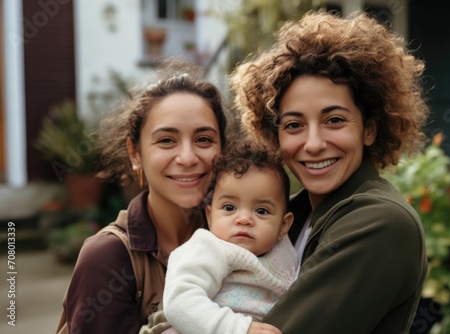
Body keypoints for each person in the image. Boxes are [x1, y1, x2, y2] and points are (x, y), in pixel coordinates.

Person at [230, 11, 429, 333]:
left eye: (334, 120)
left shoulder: (380, 223)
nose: (313, 144)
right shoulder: (290, 214)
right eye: (293, 125)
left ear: (370, 129)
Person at [56, 58, 227, 334]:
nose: (187, 157)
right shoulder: (107, 259)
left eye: (204, 139)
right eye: (166, 140)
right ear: (135, 153)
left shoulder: (233, 238)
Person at [145, 141, 296, 334]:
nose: (244, 219)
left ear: (283, 226)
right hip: (190, 325)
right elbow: (180, 300)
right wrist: (238, 329)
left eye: (261, 210)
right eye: (229, 208)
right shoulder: (208, 248)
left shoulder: (286, 253)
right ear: (210, 216)